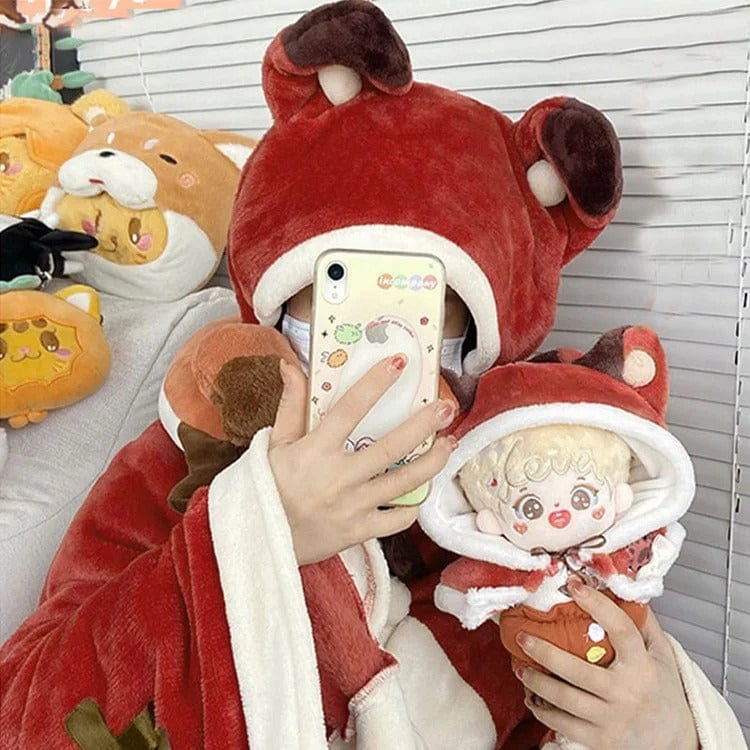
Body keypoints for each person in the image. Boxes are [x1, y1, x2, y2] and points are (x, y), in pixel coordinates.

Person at [2, 1, 743, 748]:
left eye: (423, 310)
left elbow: (585, 684)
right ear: (276, 311)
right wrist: (261, 534)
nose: (380, 347)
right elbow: (29, 714)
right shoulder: (194, 451)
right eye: (342, 296)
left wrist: (662, 729)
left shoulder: (516, 488)